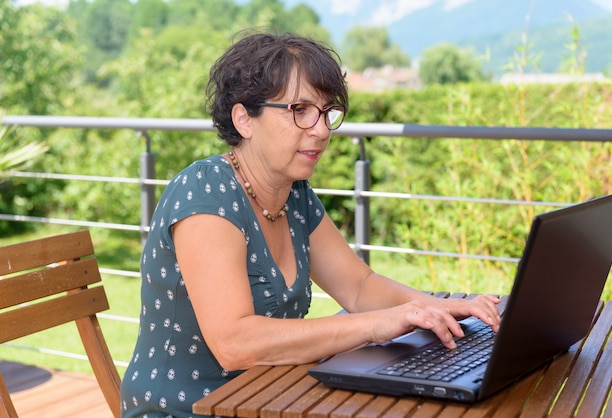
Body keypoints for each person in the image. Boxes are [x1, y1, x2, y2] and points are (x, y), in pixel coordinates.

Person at [119, 31, 501, 417]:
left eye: (325, 112)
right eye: (299, 110)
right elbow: (235, 343)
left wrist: (439, 307)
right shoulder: (205, 194)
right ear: (244, 119)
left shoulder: (294, 193)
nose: (320, 130)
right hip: (187, 410)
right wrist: (378, 325)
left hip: (270, 399)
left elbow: (358, 286)